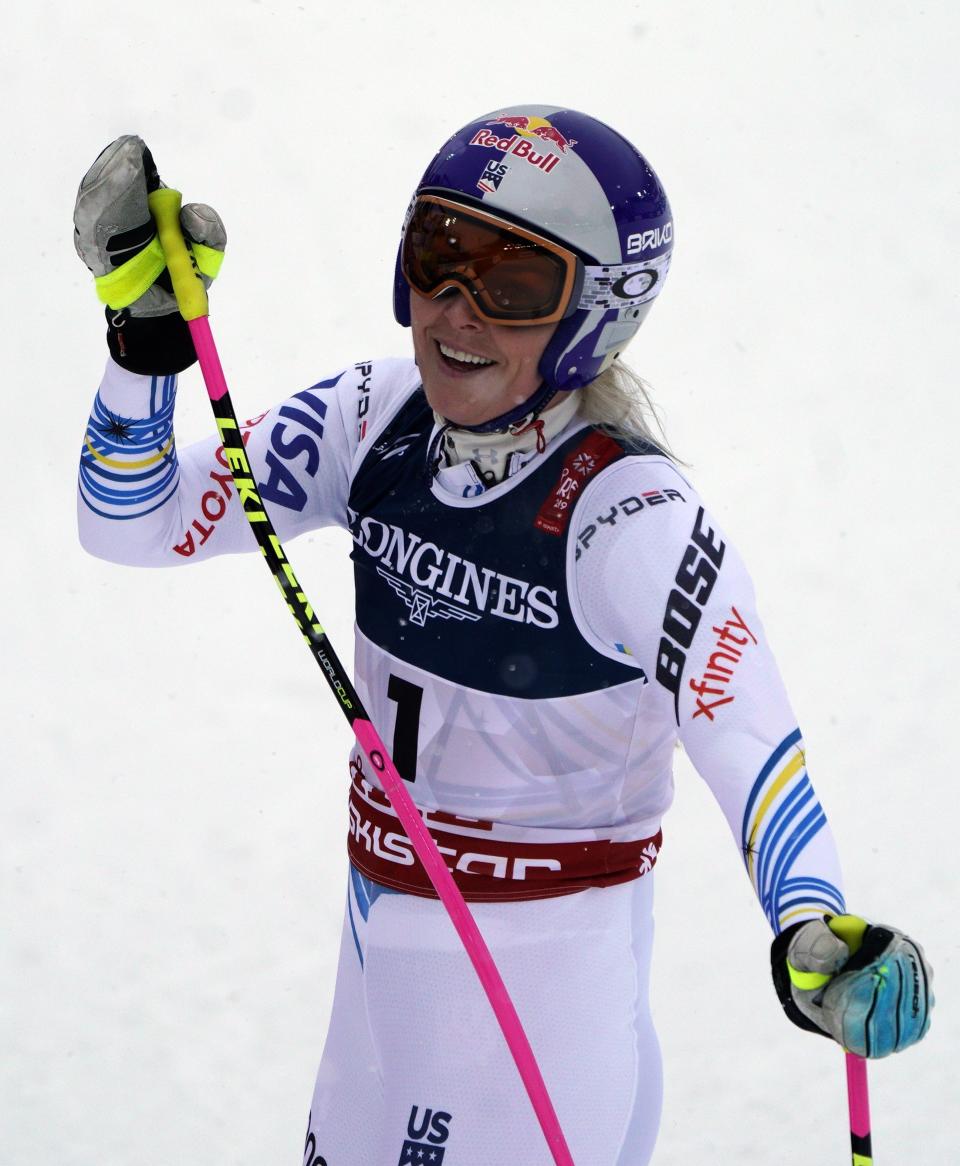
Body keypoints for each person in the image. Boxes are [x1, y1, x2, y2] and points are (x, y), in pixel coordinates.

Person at [74, 106, 933, 1165]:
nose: (455, 310)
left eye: (512, 285)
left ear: (596, 317)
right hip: (380, 967)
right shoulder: (373, 421)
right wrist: (145, 347)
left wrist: (813, 923)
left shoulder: (627, 519)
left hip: (538, 992)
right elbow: (132, 520)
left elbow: (749, 737)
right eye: (438, 255)